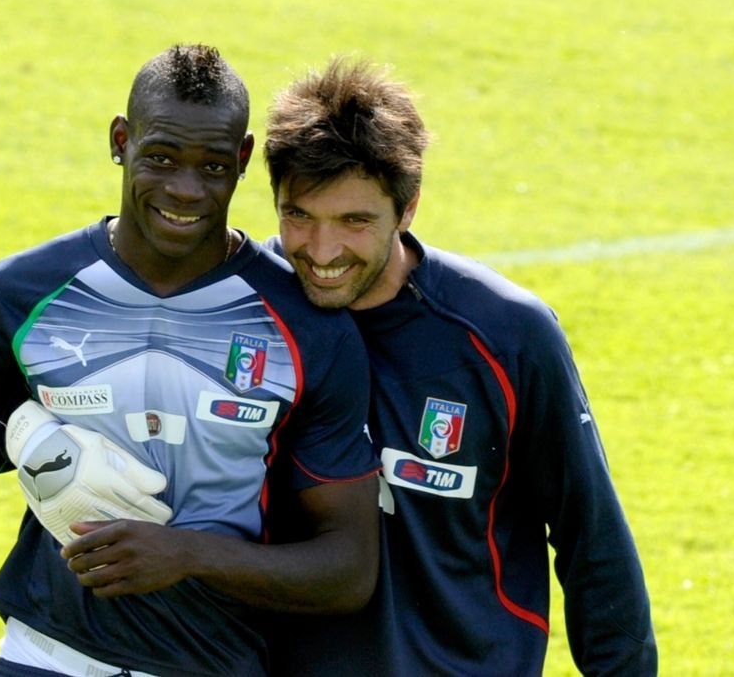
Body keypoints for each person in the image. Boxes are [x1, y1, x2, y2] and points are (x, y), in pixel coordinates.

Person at [0, 45, 381, 677]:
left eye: (213, 166)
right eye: (161, 158)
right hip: (43, 657)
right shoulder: (18, 295)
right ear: (121, 141)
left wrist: (186, 555)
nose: (185, 190)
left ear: (243, 160)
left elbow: (348, 569)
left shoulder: (307, 328)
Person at [260, 58, 658, 675]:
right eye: (299, 216)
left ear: (408, 208)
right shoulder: (250, 307)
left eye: (355, 221)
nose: (322, 250)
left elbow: (591, 537)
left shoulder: (507, 335)